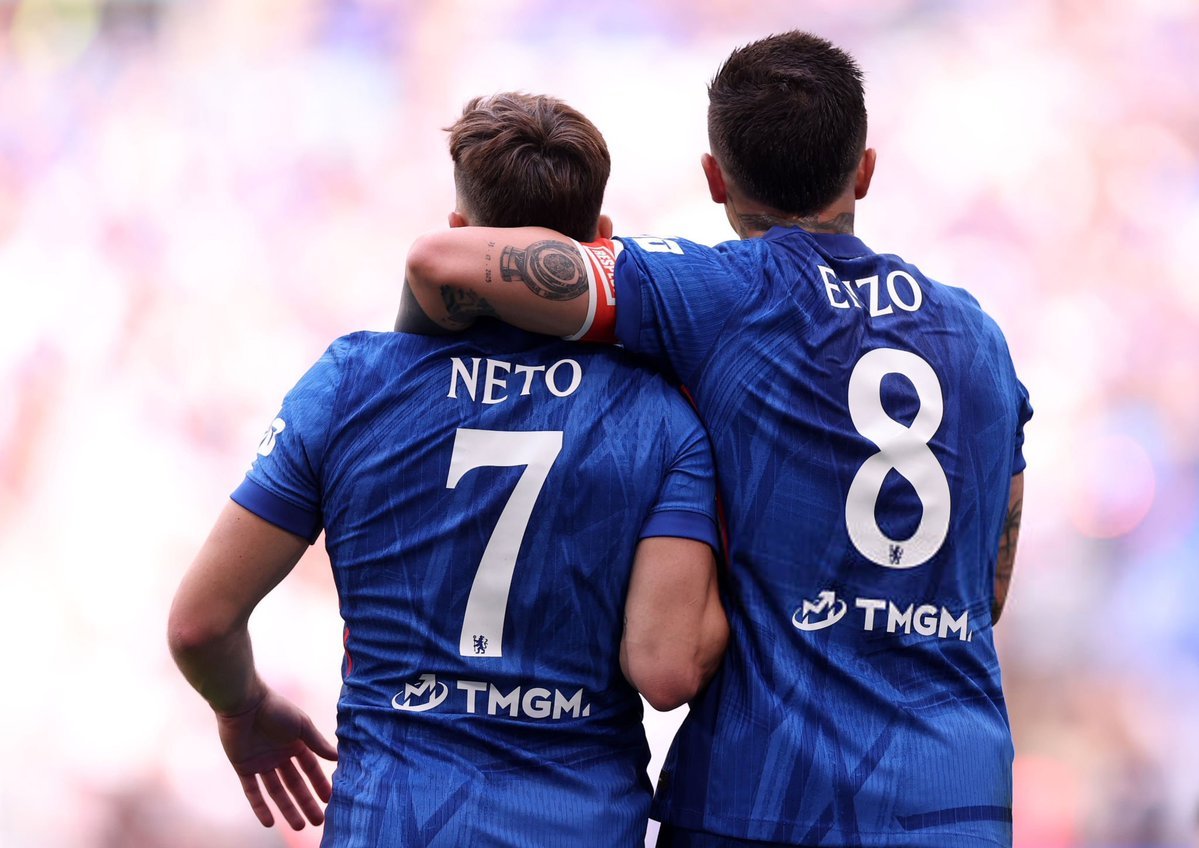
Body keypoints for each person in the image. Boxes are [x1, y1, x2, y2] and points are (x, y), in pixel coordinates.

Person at [398, 31, 1032, 848]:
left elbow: (444, 260)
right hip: (954, 800)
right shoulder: (978, 337)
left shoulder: (720, 292)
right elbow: (988, 589)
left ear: (714, 179)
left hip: (766, 794)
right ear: (864, 170)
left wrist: (408, 383)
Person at [168, 92, 728, 848]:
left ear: (461, 231)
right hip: (576, 825)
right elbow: (666, 670)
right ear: (599, 240)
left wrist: (243, 709)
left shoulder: (350, 383)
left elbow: (199, 625)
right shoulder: (659, 416)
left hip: (390, 819)